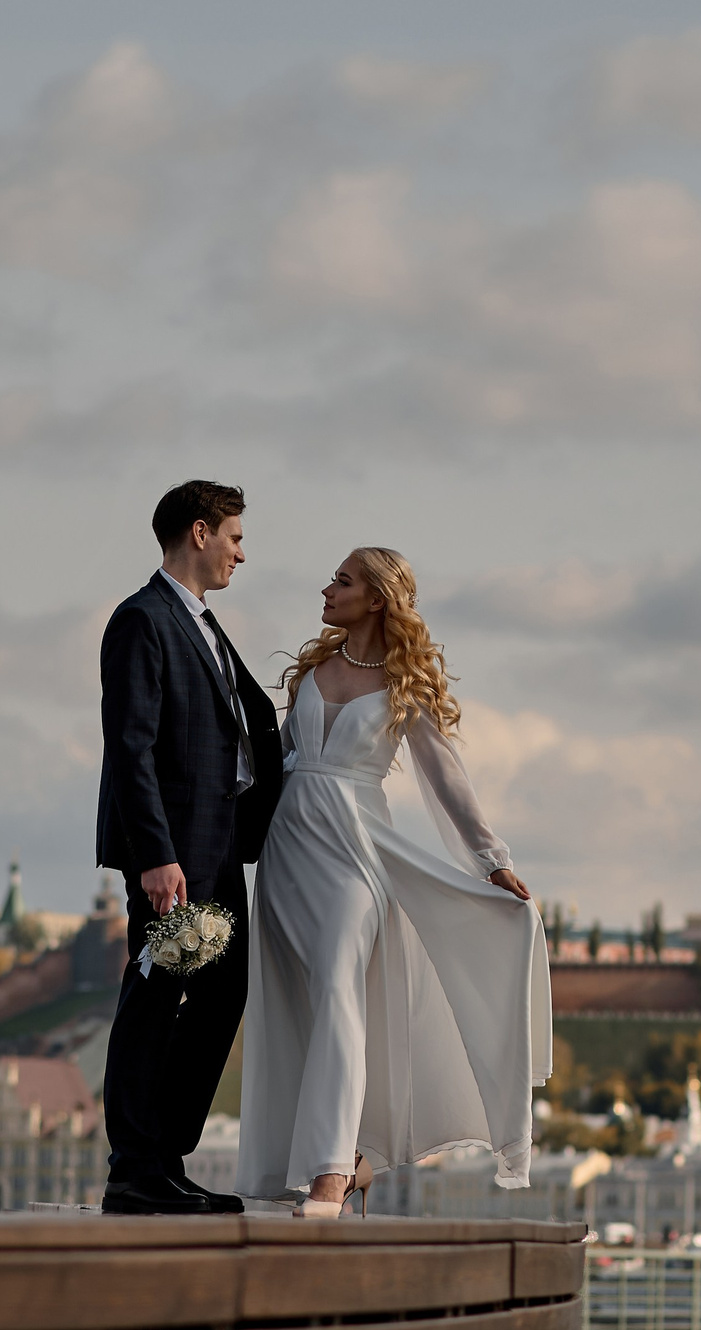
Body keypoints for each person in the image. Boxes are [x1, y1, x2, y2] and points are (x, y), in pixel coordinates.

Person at [238, 547, 551, 1216]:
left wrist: (491, 858)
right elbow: (277, 762)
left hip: (355, 853)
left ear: (376, 598)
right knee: (292, 1005)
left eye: (342, 581)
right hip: (286, 851)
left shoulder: (406, 685)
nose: (327, 589)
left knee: (339, 994)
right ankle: (332, 1160)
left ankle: (329, 1174)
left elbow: (447, 778)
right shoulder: (312, 672)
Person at [95, 480, 283, 1215]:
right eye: (235, 536)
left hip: (220, 846)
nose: (242, 553)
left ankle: (163, 1158)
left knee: (222, 994)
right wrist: (154, 854)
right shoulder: (142, 619)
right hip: (173, 856)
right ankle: (135, 1171)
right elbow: (131, 746)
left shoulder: (202, 623)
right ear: (199, 533)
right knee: (153, 1000)